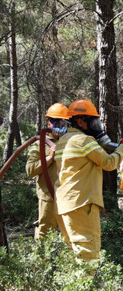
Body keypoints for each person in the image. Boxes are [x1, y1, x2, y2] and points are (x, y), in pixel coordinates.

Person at [54, 98, 123, 260]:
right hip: (82, 204)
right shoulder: (84, 141)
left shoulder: (63, 141)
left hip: (64, 205)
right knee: (88, 253)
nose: (97, 127)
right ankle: (86, 285)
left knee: (74, 252)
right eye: (94, 122)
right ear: (80, 122)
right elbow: (109, 163)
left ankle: (74, 285)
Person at [25, 103, 69, 240]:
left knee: (69, 232)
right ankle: (42, 260)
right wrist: (50, 157)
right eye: (58, 122)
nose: (62, 127)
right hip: (48, 196)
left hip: (67, 195)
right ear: (49, 123)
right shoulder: (40, 144)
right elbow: (30, 170)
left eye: (65, 123)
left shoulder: (69, 142)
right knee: (45, 232)